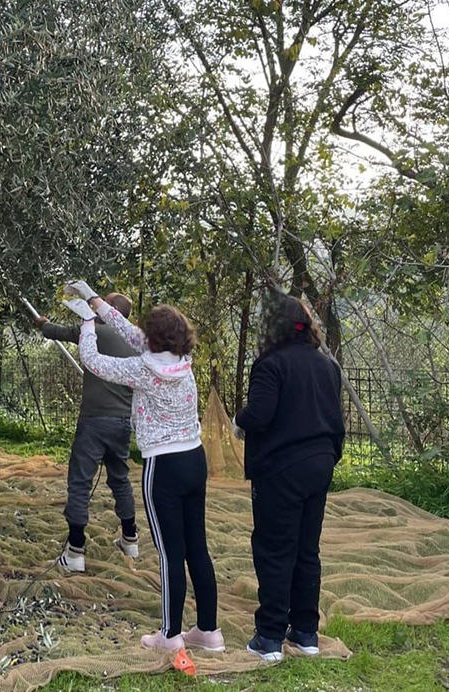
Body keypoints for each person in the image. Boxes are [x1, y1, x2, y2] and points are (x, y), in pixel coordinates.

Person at [60, 280, 222, 654]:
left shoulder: (144, 369)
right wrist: (94, 299)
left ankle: (169, 635)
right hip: (194, 459)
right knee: (197, 546)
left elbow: (95, 362)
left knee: (169, 552)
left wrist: (87, 326)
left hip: (163, 464)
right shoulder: (181, 361)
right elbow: (128, 331)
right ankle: (209, 632)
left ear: (153, 338)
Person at [233, 295, 345, 662]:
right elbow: (336, 420)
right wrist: (329, 457)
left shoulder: (270, 364)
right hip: (320, 464)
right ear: (307, 324)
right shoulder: (327, 365)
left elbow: (261, 413)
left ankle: (268, 637)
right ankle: (306, 633)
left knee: (274, 548)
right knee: (306, 549)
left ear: (274, 326)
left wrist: (240, 421)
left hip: (281, 469)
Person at [34, 291, 140, 572]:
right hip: (122, 423)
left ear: (112, 310)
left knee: (80, 482)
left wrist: (43, 325)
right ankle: (130, 538)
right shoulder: (137, 340)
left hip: (94, 421)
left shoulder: (97, 332)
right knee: (120, 479)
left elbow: (60, 331)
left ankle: (76, 551)